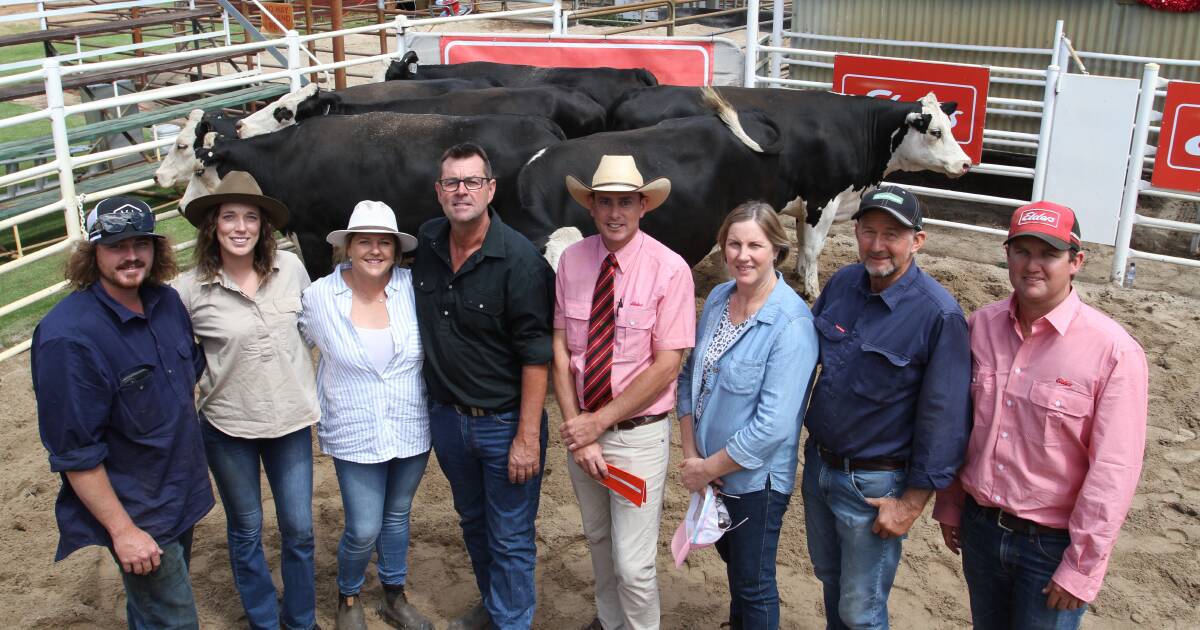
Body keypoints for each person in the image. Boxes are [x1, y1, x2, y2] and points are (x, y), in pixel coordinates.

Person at [933, 201, 1148, 630]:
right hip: (981, 527)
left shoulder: (1114, 353)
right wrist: (951, 504)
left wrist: (1082, 568)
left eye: (1048, 254)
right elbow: (959, 425)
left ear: (1076, 262)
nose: (1033, 265)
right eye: (1022, 251)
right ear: (1007, 254)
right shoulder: (979, 328)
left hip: (1051, 546)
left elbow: (1114, 469)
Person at [32, 196, 213, 630]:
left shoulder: (167, 303)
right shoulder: (68, 338)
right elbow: (76, 452)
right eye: (115, 245)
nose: (131, 255)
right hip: (138, 509)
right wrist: (124, 531)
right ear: (92, 252)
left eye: (140, 243)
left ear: (156, 248)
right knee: (175, 621)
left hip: (177, 492)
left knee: (151, 613)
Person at [801, 185, 971, 630]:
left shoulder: (939, 315)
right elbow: (804, 359)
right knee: (831, 581)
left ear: (917, 241)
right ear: (854, 231)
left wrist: (911, 504)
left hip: (876, 484)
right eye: (868, 231)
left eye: (892, 234)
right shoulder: (841, 283)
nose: (877, 245)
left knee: (862, 608)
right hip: (819, 466)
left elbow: (945, 418)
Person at [412, 143, 554, 630]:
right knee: (474, 523)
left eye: (472, 181)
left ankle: (511, 619)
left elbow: (537, 358)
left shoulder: (521, 261)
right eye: (452, 182)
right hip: (449, 421)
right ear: (439, 191)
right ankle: (496, 606)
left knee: (511, 536)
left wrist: (527, 437)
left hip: (505, 423)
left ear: (491, 189)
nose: (461, 191)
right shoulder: (428, 243)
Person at [552, 154, 696, 630]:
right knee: (597, 540)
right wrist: (581, 429)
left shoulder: (670, 269)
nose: (616, 213)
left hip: (636, 437)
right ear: (590, 206)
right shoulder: (572, 260)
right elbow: (560, 344)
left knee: (633, 565)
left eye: (625, 203)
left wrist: (598, 422)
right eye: (606, 202)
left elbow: (668, 364)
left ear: (642, 206)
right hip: (584, 430)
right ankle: (610, 624)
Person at [172, 172, 319, 630]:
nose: (240, 227)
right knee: (247, 528)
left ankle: (300, 618)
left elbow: (313, 327)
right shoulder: (189, 289)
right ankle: (262, 619)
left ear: (264, 226)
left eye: (250, 218)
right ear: (213, 225)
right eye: (229, 217)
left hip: (290, 419)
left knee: (299, 529)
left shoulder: (292, 270)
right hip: (227, 424)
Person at [675, 202, 819, 629]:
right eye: (733, 243)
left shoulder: (791, 324)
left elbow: (772, 426)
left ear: (776, 249)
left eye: (755, 244)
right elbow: (689, 378)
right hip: (708, 468)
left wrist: (707, 469)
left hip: (755, 480)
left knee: (753, 582)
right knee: (734, 564)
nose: (743, 255)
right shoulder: (719, 298)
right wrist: (691, 455)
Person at [299, 200, 434, 630]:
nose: (374, 251)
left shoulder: (414, 289)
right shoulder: (318, 297)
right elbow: (286, 343)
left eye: (383, 243)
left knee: (397, 515)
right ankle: (350, 593)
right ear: (348, 247)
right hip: (354, 428)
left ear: (396, 250)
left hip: (410, 422)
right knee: (362, 525)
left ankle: (394, 594)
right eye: (364, 242)